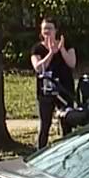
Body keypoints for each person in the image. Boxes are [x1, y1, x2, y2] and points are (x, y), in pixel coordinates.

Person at [31, 17, 76, 150]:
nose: (47, 32)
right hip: (46, 91)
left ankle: (67, 150)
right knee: (45, 124)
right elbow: (38, 67)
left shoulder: (66, 45)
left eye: (49, 28)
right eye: (44, 29)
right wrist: (50, 53)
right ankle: (40, 151)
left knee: (66, 123)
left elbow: (72, 63)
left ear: (56, 30)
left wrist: (61, 50)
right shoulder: (37, 49)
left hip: (64, 90)